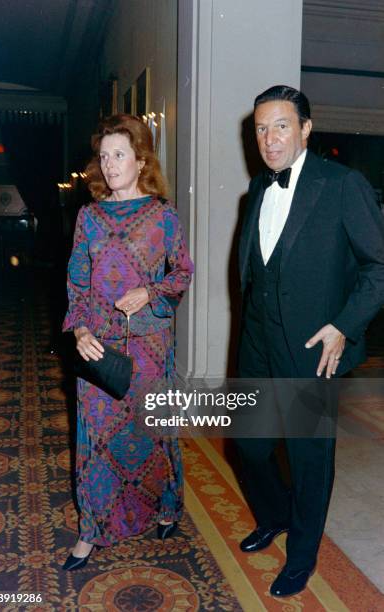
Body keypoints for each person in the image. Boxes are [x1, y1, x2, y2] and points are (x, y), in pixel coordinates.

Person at [236, 85, 384, 597]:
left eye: (281, 125)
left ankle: (301, 554)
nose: (269, 138)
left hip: (313, 347)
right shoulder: (257, 188)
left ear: (305, 128)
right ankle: (275, 515)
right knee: (249, 447)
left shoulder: (343, 184)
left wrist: (344, 325)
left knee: (308, 456)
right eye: (260, 128)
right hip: (257, 339)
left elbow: (378, 266)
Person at [62, 114, 193, 570]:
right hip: (97, 346)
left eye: (120, 155)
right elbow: (77, 282)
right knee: (96, 438)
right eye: (104, 156)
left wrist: (151, 292)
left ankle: (165, 506)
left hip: (149, 346)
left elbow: (182, 273)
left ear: (140, 161)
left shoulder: (163, 215)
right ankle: (91, 531)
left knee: (151, 431)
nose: (111, 164)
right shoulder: (89, 217)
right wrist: (79, 329)